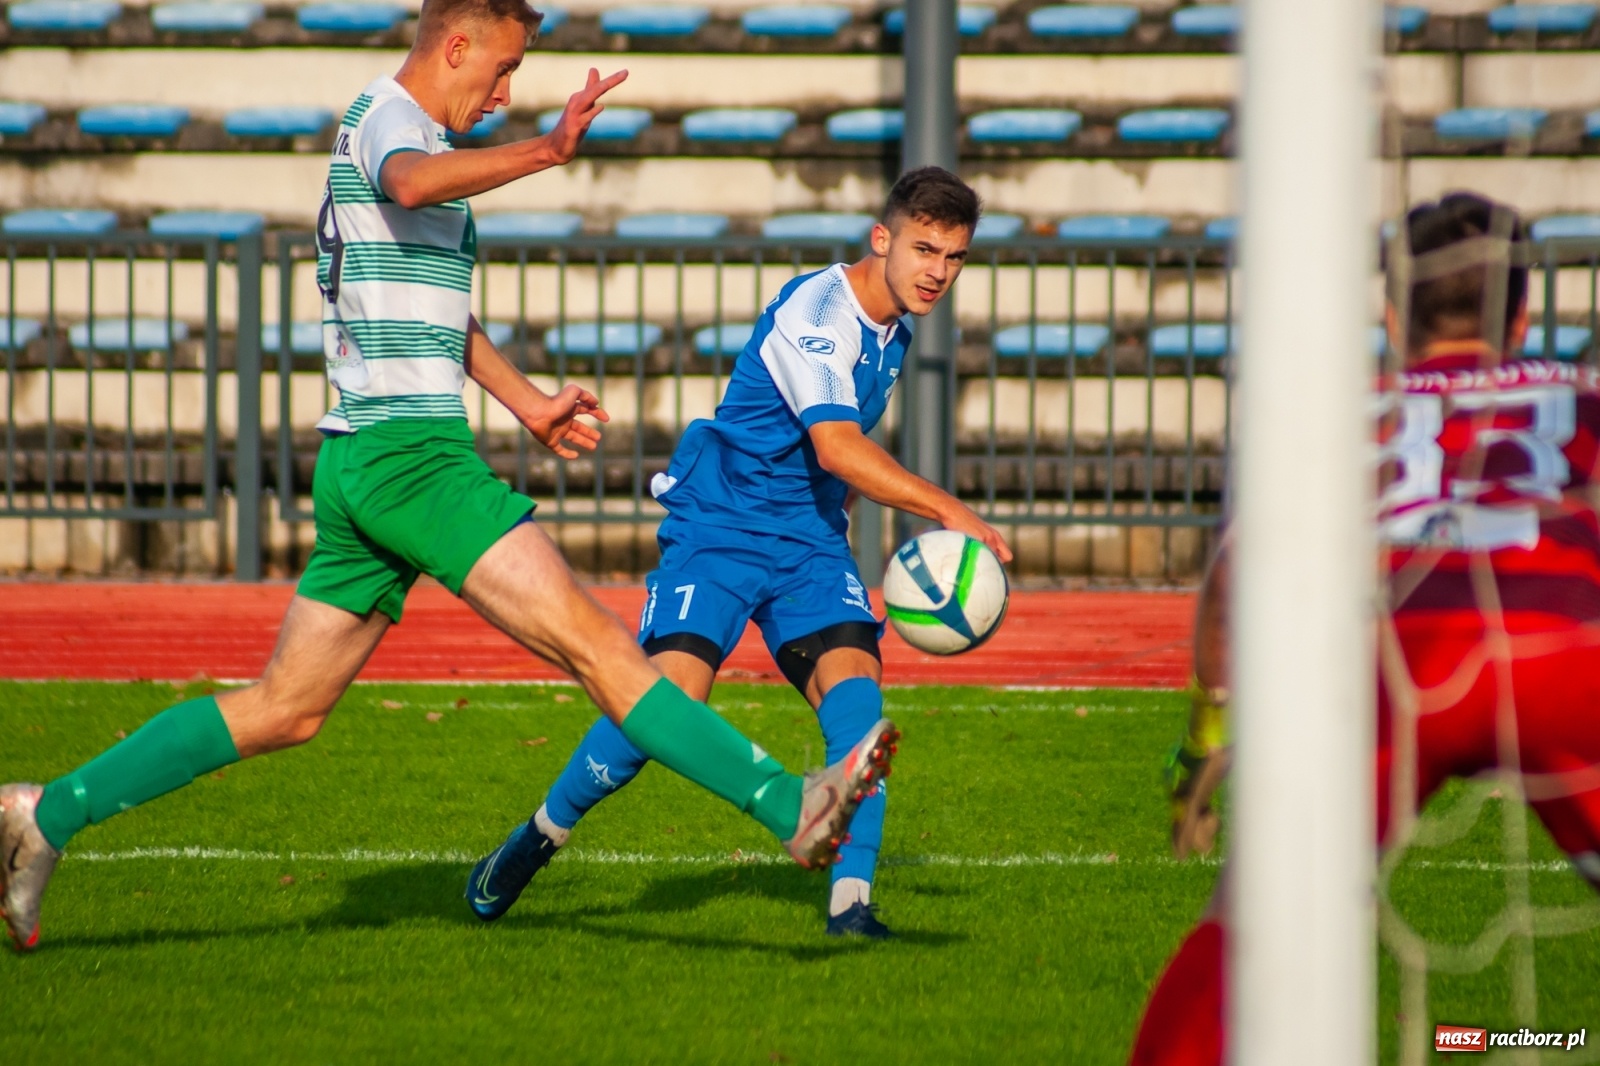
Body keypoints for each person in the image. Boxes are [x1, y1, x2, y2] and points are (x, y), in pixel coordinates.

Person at [0, 0, 898, 954]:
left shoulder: (421, 153)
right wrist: (546, 153)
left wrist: (527, 402)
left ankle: (42, 814)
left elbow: (439, 313)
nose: (505, 92)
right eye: (500, 69)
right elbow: (413, 182)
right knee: (603, 650)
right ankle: (786, 801)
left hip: (365, 458)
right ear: (456, 45)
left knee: (285, 709)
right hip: (410, 458)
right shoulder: (389, 121)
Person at [464, 166, 1012, 939]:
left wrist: (841, 517)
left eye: (954, 258)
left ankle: (851, 905)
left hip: (809, 543)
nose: (938, 273)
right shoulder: (816, 309)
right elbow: (835, 446)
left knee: (860, 717)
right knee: (666, 700)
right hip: (721, 524)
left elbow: (834, 457)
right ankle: (537, 836)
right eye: (925, 250)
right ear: (881, 239)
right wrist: (949, 510)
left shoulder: (896, 331)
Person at [1132, 192, 1600, 1065]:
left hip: (1392, 653)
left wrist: (1207, 741)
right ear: (1527, 315)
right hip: (1561, 636)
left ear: (1389, 312)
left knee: (1251, 926)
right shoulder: (1579, 394)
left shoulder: (1346, 414)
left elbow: (1235, 573)